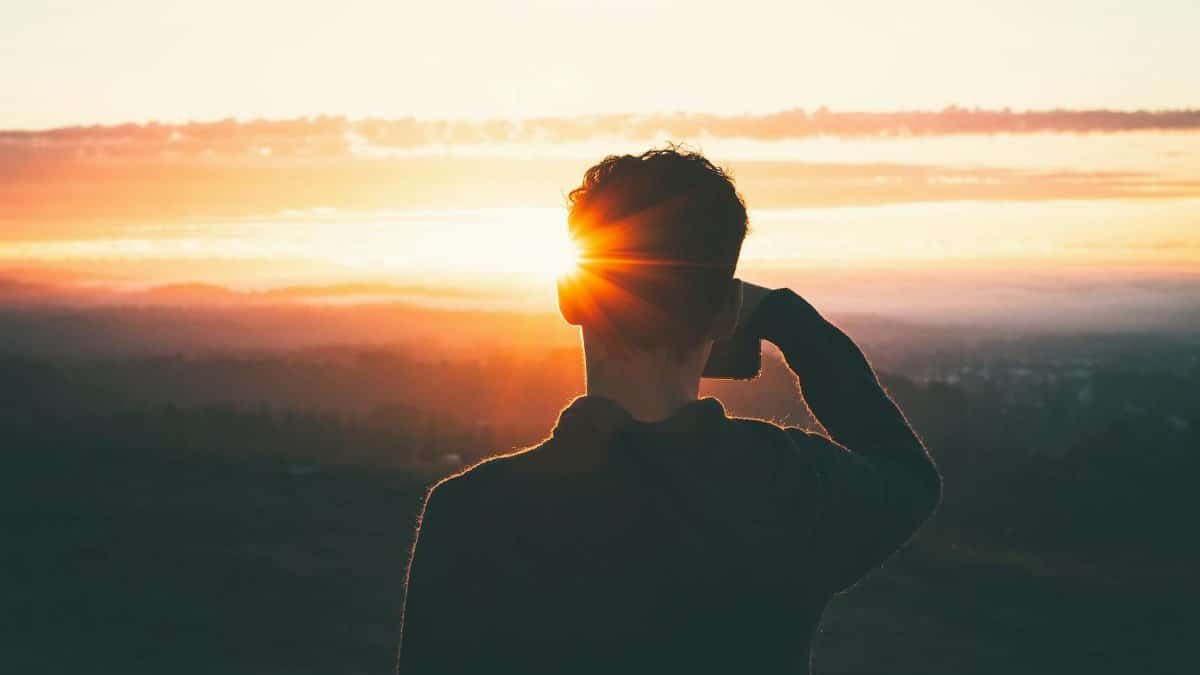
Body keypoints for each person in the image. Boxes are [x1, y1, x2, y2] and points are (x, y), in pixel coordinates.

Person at [397, 148, 941, 674]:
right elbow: (908, 473)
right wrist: (786, 317)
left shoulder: (471, 516)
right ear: (727, 311)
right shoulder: (792, 486)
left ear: (569, 297)